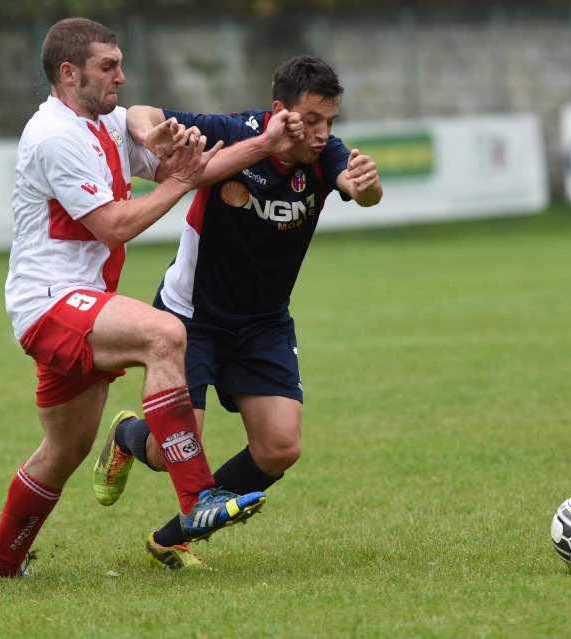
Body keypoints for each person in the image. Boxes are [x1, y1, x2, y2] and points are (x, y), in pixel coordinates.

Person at [0, 18, 302, 579]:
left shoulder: (108, 123)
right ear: (69, 74)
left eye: (120, 62)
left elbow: (183, 159)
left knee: (64, 450)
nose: (122, 75)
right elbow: (115, 225)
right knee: (164, 333)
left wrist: (262, 143)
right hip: (48, 302)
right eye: (108, 66)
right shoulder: (53, 136)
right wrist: (179, 181)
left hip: (83, 303)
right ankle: (198, 502)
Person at [92, 55, 383, 568]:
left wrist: (364, 186)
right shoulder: (235, 133)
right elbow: (139, 110)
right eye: (311, 120)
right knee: (168, 454)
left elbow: (358, 190)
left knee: (279, 447)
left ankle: (172, 537)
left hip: (264, 323)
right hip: (191, 318)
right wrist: (155, 133)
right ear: (280, 111)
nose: (321, 133)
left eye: (330, 122)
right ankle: (126, 434)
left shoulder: (325, 156)